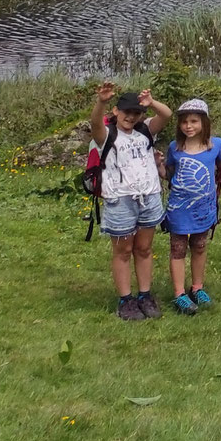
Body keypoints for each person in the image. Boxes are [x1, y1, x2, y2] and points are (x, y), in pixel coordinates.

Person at [162, 98, 221, 315]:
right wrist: (157, 166)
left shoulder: (215, 145)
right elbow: (169, 174)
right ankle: (179, 294)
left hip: (204, 207)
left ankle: (197, 287)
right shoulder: (175, 147)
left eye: (194, 121)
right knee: (178, 248)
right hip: (179, 207)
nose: (188, 126)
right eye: (184, 122)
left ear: (204, 122)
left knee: (200, 245)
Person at [91, 84, 170, 320]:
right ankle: (126, 300)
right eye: (127, 111)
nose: (131, 116)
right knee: (123, 250)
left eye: (136, 112)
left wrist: (152, 103)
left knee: (144, 249)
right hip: (120, 199)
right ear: (116, 111)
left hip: (149, 196)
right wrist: (101, 102)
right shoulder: (107, 135)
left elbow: (166, 115)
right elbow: (95, 124)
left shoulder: (145, 130)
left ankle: (145, 295)